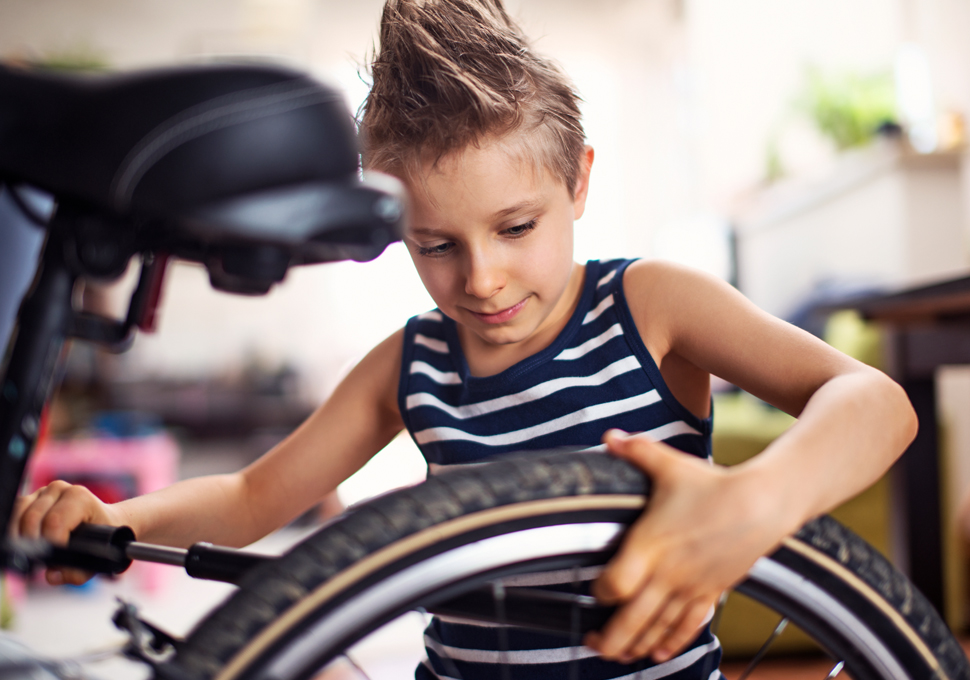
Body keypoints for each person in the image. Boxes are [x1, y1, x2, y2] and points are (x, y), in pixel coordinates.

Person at [14, 0, 917, 678]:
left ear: (579, 183)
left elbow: (875, 403)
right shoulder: (414, 363)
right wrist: (118, 518)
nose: (478, 280)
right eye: (435, 245)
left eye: (516, 229)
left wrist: (752, 505)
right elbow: (256, 493)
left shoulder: (652, 306)